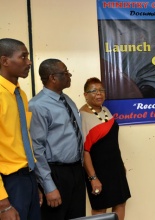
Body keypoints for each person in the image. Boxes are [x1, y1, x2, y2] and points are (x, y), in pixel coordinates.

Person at [29, 58, 86, 220]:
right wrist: (48, 186)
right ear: (53, 77)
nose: (69, 75)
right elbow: (36, 149)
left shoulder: (67, 100)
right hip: (55, 174)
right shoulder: (38, 106)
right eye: (65, 73)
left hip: (75, 171)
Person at [0, 38, 41, 220]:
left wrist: (34, 185)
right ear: (4, 61)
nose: (29, 62)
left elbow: (22, 141)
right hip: (8, 183)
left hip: (27, 178)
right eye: (23, 57)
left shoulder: (20, 94)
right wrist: (3, 203)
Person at [79, 77, 131, 220]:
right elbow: (84, 151)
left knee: (120, 202)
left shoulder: (105, 110)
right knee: (100, 208)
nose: (99, 94)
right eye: (94, 91)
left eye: (101, 90)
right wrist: (93, 178)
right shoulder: (82, 116)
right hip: (97, 171)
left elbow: (111, 143)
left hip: (115, 168)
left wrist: (121, 165)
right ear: (85, 95)